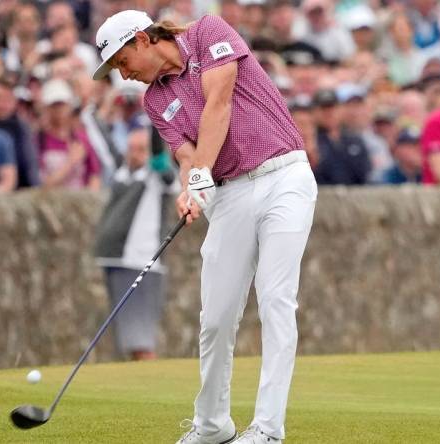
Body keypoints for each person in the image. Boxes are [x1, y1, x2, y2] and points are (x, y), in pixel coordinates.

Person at [92, 10, 317, 444]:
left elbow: (220, 102)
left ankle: (268, 430)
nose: (124, 75)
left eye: (122, 62)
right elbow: (185, 154)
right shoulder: (154, 100)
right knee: (215, 317)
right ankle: (213, 426)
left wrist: (200, 175)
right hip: (230, 193)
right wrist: (189, 188)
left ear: (142, 39)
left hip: (284, 176)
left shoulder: (209, 32)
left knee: (275, 301)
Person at [94, 126, 178, 361]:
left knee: (140, 338)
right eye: (131, 149)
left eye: (141, 149)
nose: (135, 154)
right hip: (115, 259)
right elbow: (103, 139)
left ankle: (152, 383)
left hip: (141, 262)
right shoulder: (122, 173)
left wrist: (155, 119)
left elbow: (160, 156)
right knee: (128, 338)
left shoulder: (158, 174)